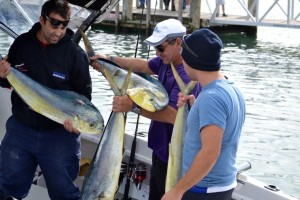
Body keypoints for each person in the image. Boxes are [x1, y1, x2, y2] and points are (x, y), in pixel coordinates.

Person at [90, 18, 201, 200]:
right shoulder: (166, 61)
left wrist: (132, 107)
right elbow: (143, 65)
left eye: (161, 48)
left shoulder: (186, 75)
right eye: (155, 48)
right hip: (161, 150)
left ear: (178, 43)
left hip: (177, 156)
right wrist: (109, 60)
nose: (157, 53)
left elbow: (174, 116)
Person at [0, 0, 92, 199]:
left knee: (64, 194)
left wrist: (77, 124)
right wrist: (1, 74)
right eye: (54, 24)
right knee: (4, 188)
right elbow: (6, 81)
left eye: (64, 25)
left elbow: (85, 100)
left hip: (59, 136)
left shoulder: (75, 55)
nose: (59, 31)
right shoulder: (22, 44)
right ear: (42, 20)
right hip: (20, 130)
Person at [162, 28, 246, 200]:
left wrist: (178, 190)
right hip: (220, 185)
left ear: (193, 61)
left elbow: (210, 152)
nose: (183, 63)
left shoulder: (211, 98)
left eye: (184, 57)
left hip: (205, 190)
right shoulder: (231, 88)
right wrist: (195, 107)